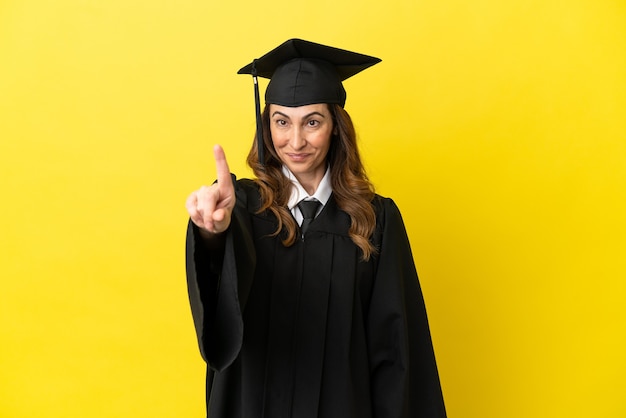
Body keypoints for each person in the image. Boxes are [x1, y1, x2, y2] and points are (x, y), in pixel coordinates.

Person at [185, 39, 446, 418]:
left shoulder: (376, 219)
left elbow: (395, 349)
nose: (296, 141)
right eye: (281, 122)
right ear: (266, 126)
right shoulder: (240, 206)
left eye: (312, 122)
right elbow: (221, 301)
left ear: (336, 127)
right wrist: (212, 234)